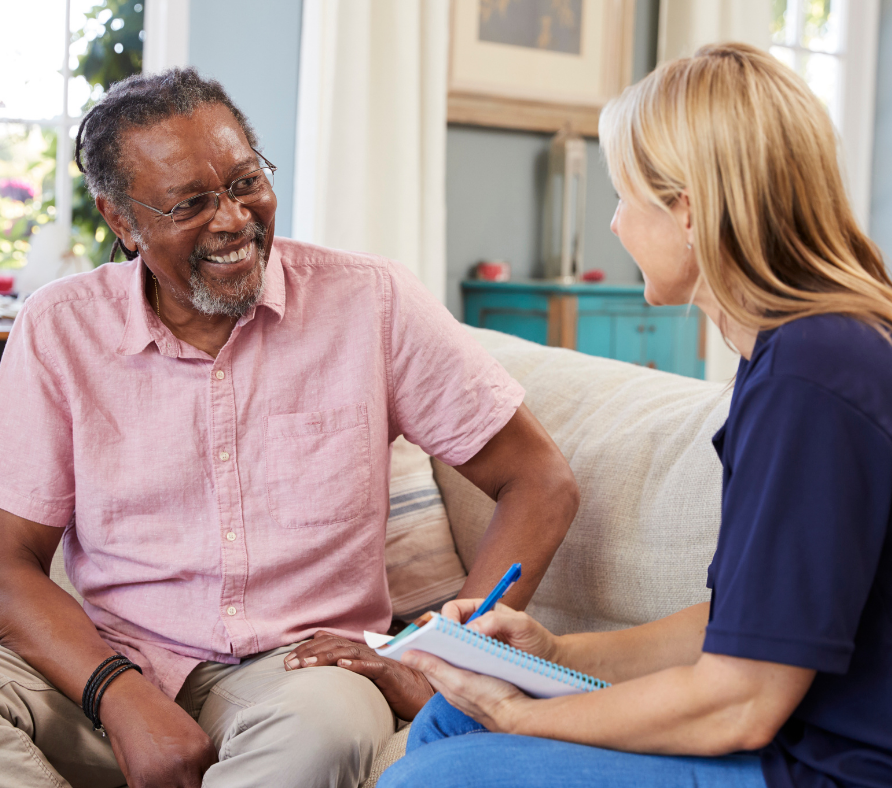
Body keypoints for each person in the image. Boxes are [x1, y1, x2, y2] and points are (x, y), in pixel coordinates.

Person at [0, 69, 579, 788]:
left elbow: (540, 481)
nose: (232, 219)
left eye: (245, 181)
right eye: (190, 203)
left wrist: (437, 656)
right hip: (111, 666)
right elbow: (3, 569)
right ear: (121, 221)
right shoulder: (59, 328)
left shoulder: (370, 302)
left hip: (300, 676)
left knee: (327, 729)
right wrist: (119, 697)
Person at [378, 43, 892, 788]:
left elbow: (739, 704)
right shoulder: (795, 354)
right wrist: (554, 656)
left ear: (689, 211)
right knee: (454, 719)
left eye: (626, 197)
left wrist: (525, 715)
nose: (616, 226)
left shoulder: (813, 378)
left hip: (828, 769)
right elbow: (742, 628)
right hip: (787, 736)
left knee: (428, 779)